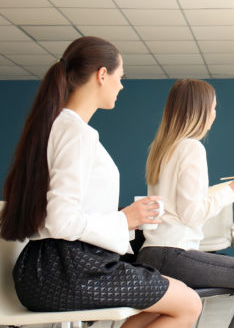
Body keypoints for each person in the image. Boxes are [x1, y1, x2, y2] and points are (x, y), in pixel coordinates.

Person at [0, 36, 202, 328]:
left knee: (176, 299)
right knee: (188, 303)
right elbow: (60, 220)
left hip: (51, 268)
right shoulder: (75, 132)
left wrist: (125, 219)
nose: (121, 86)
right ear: (102, 75)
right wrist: (123, 219)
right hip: (71, 270)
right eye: (120, 77)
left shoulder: (58, 125)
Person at [137, 78, 234, 328]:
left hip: (151, 253)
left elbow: (179, 201)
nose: (214, 115)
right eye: (213, 108)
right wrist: (233, 191)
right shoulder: (192, 148)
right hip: (175, 254)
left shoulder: (161, 149)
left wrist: (229, 188)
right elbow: (192, 212)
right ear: (200, 111)